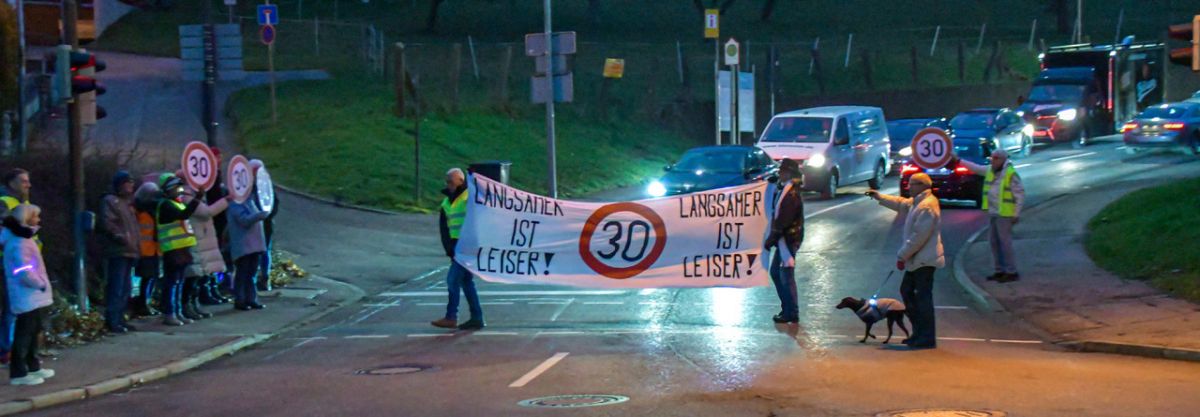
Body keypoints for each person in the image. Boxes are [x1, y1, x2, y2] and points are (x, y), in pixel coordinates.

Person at [867, 173, 944, 350]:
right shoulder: (917, 202)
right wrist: (879, 196)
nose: (908, 187)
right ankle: (919, 333)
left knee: (921, 298)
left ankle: (925, 336)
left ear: (921, 185)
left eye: (912, 184)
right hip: (918, 260)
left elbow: (919, 237)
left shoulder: (927, 207)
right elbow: (901, 203)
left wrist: (902, 255)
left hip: (924, 260)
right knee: (909, 292)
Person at [953, 149, 1025, 283]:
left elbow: (1019, 195)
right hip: (993, 213)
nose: (993, 161)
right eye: (992, 158)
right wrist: (958, 161)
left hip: (1005, 214)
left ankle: (1011, 271)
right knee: (994, 243)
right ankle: (999, 270)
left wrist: (1016, 214)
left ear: (1003, 159)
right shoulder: (990, 171)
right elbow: (975, 168)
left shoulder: (1010, 174)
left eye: (996, 158)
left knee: (1005, 243)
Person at [3, 205, 54, 386]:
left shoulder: (22, 240)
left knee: (32, 331)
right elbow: (23, 271)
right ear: (27, 219)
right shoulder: (19, 242)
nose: (38, 220)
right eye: (36, 217)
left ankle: (32, 366)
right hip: (28, 293)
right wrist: (39, 283)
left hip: (31, 294)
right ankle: (19, 372)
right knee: (25, 333)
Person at [430, 168, 484, 331]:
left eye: (451, 181)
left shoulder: (469, 197)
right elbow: (444, 228)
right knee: (466, 282)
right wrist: (449, 248)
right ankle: (476, 317)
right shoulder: (447, 203)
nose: (448, 184)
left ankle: (451, 316)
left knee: (453, 280)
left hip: (467, 246)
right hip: (457, 247)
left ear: (461, 181)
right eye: (447, 181)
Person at [155, 174, 202, 326]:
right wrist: (197, 198)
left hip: (181, 250)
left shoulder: (177, 204)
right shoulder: (166, 205)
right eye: (177, 188)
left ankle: (178, 312)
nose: (180, 191)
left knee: (179, 282)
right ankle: (170, 313)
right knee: (172, 282)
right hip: (173, 250)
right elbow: (184, 215)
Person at [763, 158, 804, 324]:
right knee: (777, 273)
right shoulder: (785, 189)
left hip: (788, 240)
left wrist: (771, 239)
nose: (779, 173)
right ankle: (787, 309)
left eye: (782, 171)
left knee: (785, 275)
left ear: (788, 173)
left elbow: (783, 221)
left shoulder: (791, 194)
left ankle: (791, 312)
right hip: (785, 239)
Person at [100, 171, 141, 333]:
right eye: (127, 182)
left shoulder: (128, 203)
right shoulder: (112, 201)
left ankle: (120, 318)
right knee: (116, 286)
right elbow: (108, 223)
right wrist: (121, 237)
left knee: (125, 287)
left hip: (129, 250)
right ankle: (113, 319)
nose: (131, 185)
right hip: (119, 250)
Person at [182, 184, 231, 320]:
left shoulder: (195, 196)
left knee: (198, 276)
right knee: (192, 276)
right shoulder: (187, 196)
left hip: (201, 240)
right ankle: (187, 305)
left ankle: (194, 304)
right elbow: (206, 212)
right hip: (195, 240)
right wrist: (226, 200)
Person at [0, 168, 33, 366]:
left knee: (20, 307)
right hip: (7, 261)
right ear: (11, 183)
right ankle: (7, 350)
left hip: (24, 262)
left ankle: (16, 349)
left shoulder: (24, 203)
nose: (28, 185)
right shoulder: (4, 203)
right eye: (23, 181)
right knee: (11, 307)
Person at [226, 193, 270, 311]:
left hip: (254, 245)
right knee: (242, 273)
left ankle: (251, 299)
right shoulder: (235, 204)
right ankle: (240, 300)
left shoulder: (250, 201)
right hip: (243, 245)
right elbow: (244, 221)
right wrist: (259, 216)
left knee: (251, 273)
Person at [132, 181, 163, 317]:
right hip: (144, 250)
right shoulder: (139, 211)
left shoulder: (152, 210)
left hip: (153, 249)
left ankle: (146, 303)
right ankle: (142, 304)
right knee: (146, 280)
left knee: (150, 279)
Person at [249, 159, 279, 292]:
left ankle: (263, 278)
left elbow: (274, 204)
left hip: (263, 224)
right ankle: (260, 279)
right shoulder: (264, 185)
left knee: (263, 251)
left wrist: (266, 216)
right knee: (261, 252)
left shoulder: (263, 186)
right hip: (258, 224)